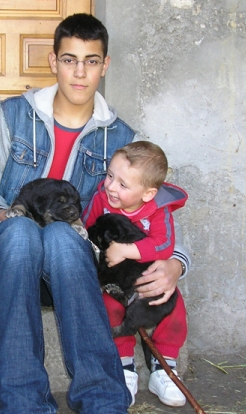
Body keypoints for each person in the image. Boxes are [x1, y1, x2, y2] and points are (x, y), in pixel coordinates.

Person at [0, 13, 191, 413]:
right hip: (10, 256)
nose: (79, 72)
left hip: (73, 264)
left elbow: (149, 207)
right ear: (54, 62)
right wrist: (2, 213)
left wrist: (177, 260)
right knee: (21, 232)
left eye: (91, 61)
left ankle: (102, 400)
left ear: (104, 66)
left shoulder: (120, 137)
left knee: (61, 236)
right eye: (69, 59)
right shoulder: (14, 114)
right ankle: (23, 403)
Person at [82, 140, 189, 407]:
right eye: (109, 176)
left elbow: (164, 244)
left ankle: (164, 366)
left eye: (122, 184)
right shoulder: (101, 199)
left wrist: (126, 250)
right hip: (115, 282)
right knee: (109, 307)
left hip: (146, 276)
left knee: (172, 303)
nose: (110, 187)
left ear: (148, 193)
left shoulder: (157, 211)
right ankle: (124, 367)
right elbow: (85, 229)